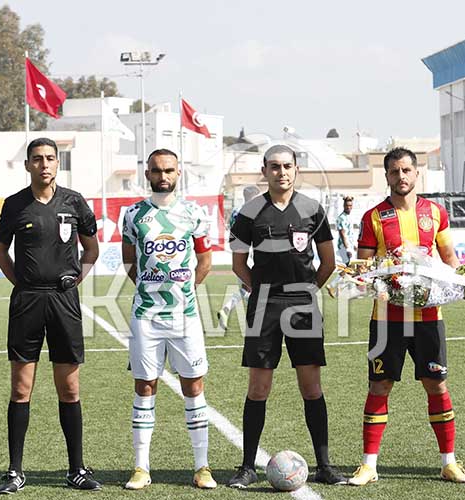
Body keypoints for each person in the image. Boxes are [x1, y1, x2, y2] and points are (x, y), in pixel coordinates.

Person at [348, 147, 465, 486]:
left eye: (406, 170)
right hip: (387, 319)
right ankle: (369, 465)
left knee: (436, 384)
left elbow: (449, 260)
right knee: (380, 384)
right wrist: (375, 279)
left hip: (429, 317)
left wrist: (462, 280)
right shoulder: (373, 217)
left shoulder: (435, 213)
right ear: (386, 176)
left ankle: (449, 462)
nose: (401, 177)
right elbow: (365, 268)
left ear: (416, 174)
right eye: (394, 172)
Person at [227, 144, 346, 488]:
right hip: (264, 306)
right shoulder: (248, 212)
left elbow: (328, 262)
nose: (282, 172)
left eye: (288, 166)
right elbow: (238, 263)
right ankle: (247, 467)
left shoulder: (313, 210)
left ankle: (324, 466)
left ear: (297, 169)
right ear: (264, 170)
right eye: (275, 166)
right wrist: (261, 291)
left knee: (311, 389)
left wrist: (307, 291)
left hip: (303, 306)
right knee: (258, 389)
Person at [0, 138, 101, 493]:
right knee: (21, 388)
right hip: (27, 302)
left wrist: (76, 279)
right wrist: (21, 282)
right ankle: (14, 471)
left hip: (63, 301)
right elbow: (0, 252)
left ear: (58, 163)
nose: (44, 164)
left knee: (69, 388)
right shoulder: (14, 206)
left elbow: (91, 249)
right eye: (37, 159)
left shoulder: (74, 202)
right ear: (27, 165)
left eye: (50, 158)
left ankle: (76, 469)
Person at [119, 148, 217, 490]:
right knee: (145, 386)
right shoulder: (132, 215)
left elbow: (204, 260)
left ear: (179, 173)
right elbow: (129, 262)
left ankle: (202, 467)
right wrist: (152, 289)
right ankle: (141, 467)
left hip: (185, 315)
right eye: (157, 171)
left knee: (194, 386)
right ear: (147, 173)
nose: (163, 176)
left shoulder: (194, 213)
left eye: (169, 170)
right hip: (146, 315)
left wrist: (185, 290)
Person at [217, 185, 261, 329]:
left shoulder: (237, 210)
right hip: (249, 253)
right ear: (254, 196)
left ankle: (231, 311)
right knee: (250, 288)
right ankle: (228, 310)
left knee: (247, 289)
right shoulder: (253, 211)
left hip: (238, 253)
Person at [335, 196, 355, 265]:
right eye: (347, 205)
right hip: (343, 247)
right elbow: (342, 234)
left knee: (350, 268)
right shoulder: (341, 218)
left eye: (350, 205)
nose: (348, 207)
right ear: (343, 206)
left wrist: (354, 245)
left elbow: (350, 233)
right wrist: (347, 249)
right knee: (348, 268)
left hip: (350, 245)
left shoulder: (349, 216)